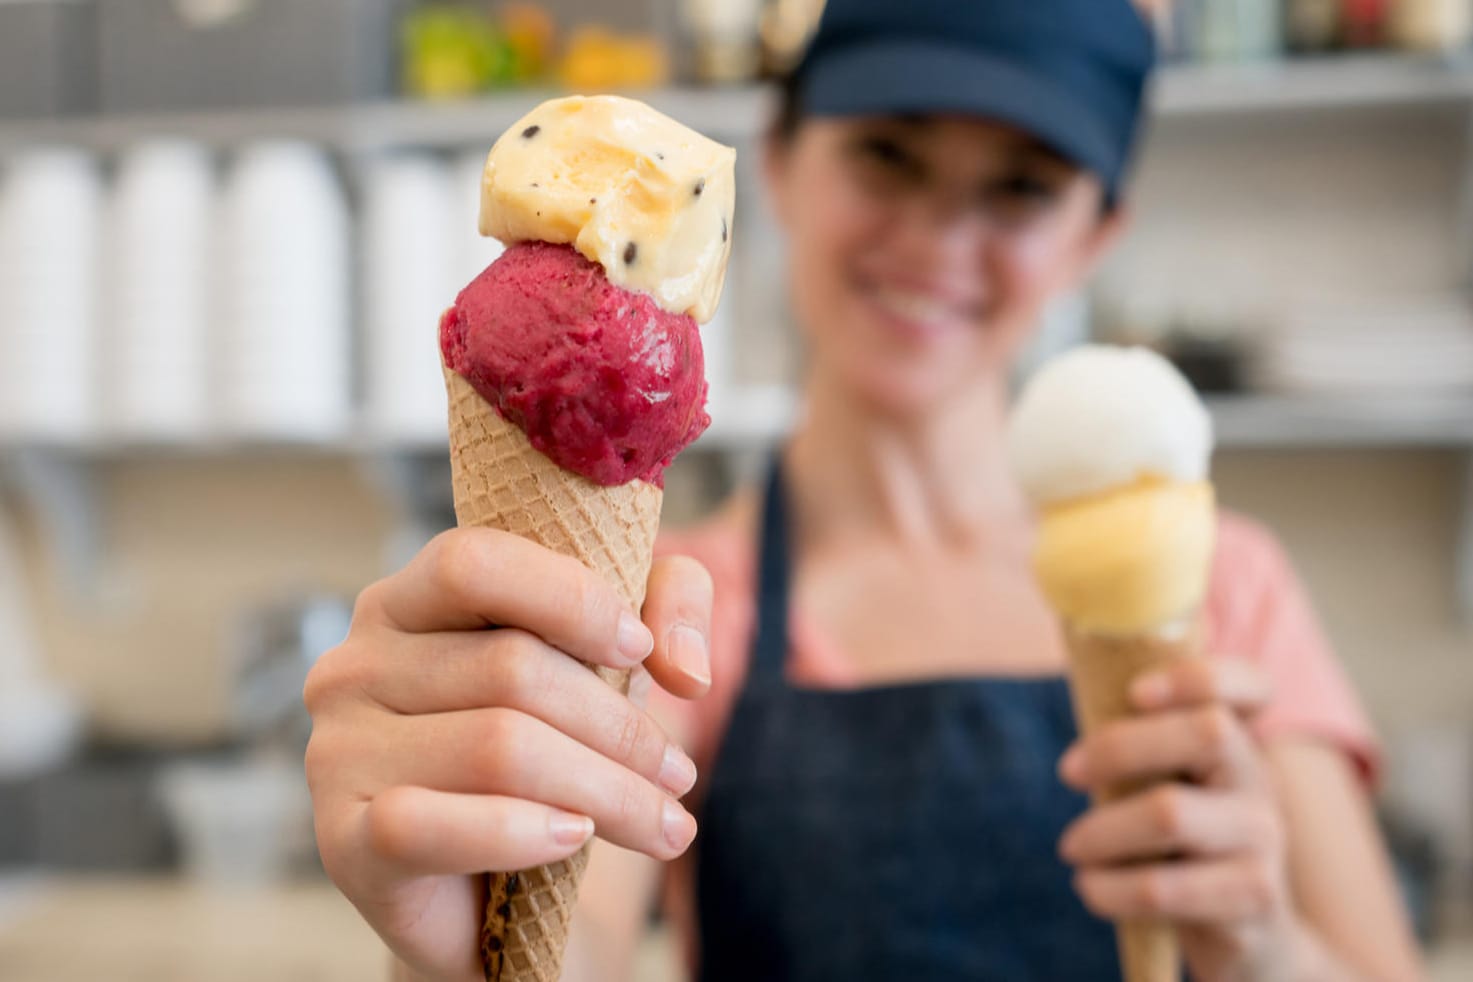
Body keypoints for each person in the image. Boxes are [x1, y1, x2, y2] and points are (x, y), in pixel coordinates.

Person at [303, 1, 1425, 979]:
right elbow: (570, 950)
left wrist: (1268, 948)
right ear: (783, 157)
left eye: (1023, 188)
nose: (938, 236)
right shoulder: (673, 613)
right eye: (889, 153)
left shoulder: (1228, 585)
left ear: (1098, 234)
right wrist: (453, 944)